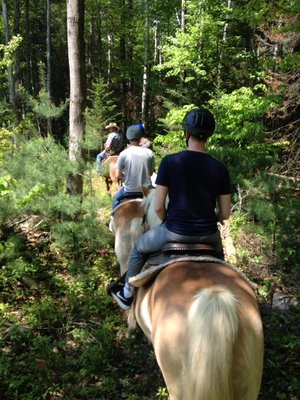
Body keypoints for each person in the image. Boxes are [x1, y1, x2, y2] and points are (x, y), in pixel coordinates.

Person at [111, 107, 232, 310]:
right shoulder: (220, 169)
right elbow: (225, 213)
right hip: (209, 236)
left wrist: (169, 221)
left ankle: (127, 294)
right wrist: (212, 218)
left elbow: (158, 207)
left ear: (186, 133)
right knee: (221, 264)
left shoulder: (170, 162)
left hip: (174, 232)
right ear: (209, 135)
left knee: (139, 249)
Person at [112, 124, 155, 209]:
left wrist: (126, 178)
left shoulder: (123, 154)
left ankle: (112, 219)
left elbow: (117, 175)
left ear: (128, 138)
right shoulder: (149, 153)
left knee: (116, 201)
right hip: (147, 190)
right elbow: (150, 173)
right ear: (140, 137)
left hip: (128, 191)